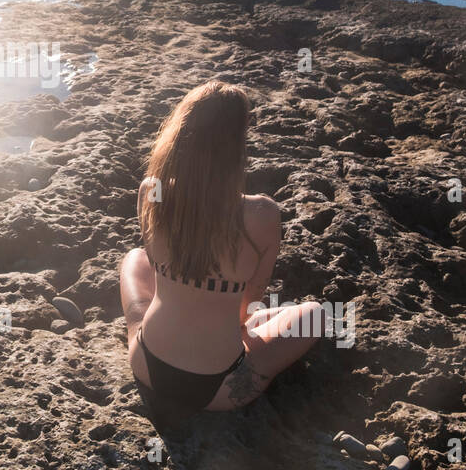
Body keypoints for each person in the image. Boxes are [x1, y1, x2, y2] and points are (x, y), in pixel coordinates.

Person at [120, 80, 325, 416]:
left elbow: (157, 267)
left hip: (145, 363)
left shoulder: (150, 190)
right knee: (314, 313)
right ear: (238, 143)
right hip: (219, 388)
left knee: (135, 259)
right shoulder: (262, 214)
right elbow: (246, 310)